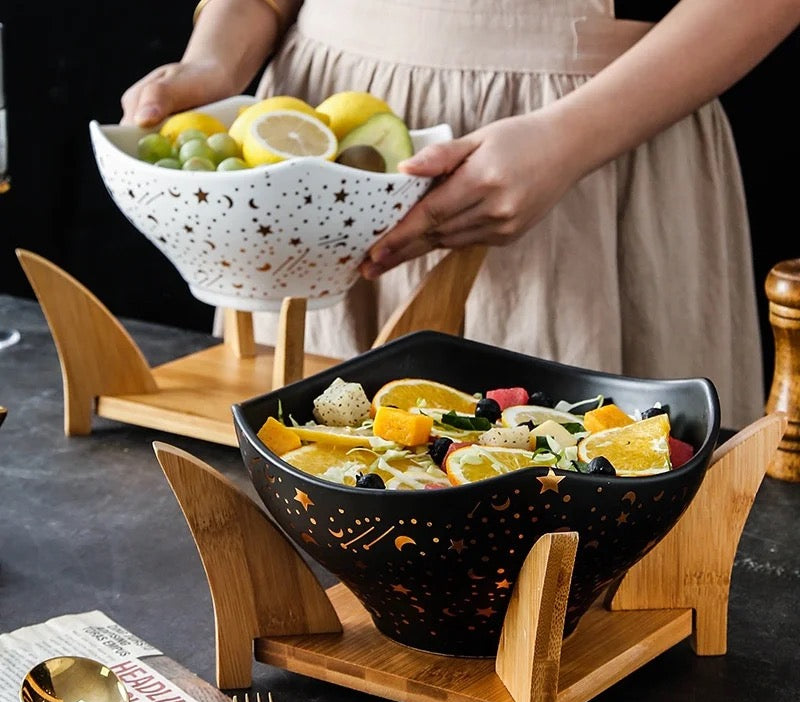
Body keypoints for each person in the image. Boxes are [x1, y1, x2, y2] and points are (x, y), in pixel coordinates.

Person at [121, 0, 800, 430]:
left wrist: (570, 141)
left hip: (598, 138)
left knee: (584, 530)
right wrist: (214, 59)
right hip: (321, 146)